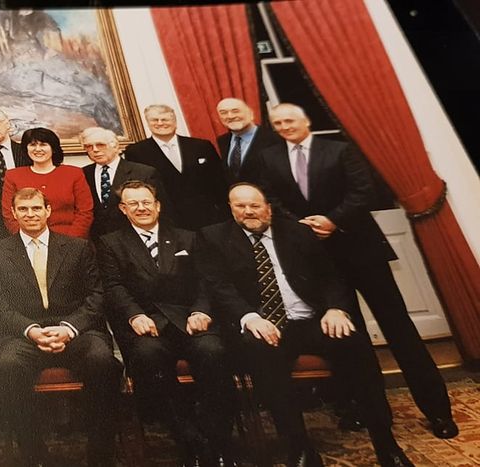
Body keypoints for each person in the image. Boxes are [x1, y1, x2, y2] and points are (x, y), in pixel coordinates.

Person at [257, 103, 456, 438]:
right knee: (350, 337)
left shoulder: (340, 150)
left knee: (400, 331)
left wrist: (333, 220)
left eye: (289, 120)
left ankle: (438, 411)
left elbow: (365, 192)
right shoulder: (270, 158)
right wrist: (302, 226)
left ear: (306, 121)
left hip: (362, 253)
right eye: (277, 123)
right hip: (319, 261)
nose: (284, 126)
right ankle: (369, 412)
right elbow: (272, 201)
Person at [197, 183, 415, 467]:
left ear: (268, 208)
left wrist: (336, 308)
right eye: (240, 206)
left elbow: (331, 277)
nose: (248, 211)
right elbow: (220, 287)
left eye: (254, 205)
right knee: (260, 352)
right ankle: (299, 446)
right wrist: (250, 318)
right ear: (231, 208)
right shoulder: (214, 237)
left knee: (354, 342)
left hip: (308, 321)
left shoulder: (296, 232)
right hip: (262, 324)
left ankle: (386, 443)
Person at [96, 180, 236, 466]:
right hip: (146, 323)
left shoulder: (188, 238)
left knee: (214, 352)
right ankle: (189, 440)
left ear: (158, 205)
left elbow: (205, 282)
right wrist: (134, 315)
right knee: (148, 356)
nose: (141, 207)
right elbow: (113, 287)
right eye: (133, 203)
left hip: (190, 320)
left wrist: (201, 311)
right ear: (123, 209)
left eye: (146, 201)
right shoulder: (110, 243)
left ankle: (219, 442)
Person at [0, 188, 122, 467]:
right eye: (23, 209)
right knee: (6, 366)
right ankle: (34, 455)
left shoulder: (78, 248)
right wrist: (31, 330)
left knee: (102, 361)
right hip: (23, 335)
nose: (30, 214)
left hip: (75, 331)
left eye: (36, 208)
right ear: (13, 213)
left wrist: (69, 328)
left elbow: (96, 296)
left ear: (48, 211)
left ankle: (101, 455)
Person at [124, 104, 229, 230]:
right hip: (169, 220)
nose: (160, 123)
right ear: (147, 123)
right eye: (155, 120)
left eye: (165, 119)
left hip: (209, 218)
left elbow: (220, 182)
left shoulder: (201, 146)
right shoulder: (136, 151)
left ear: (175, 121)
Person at [0, 127, 93, 238]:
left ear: (53, 148)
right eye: (32, 145)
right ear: (26, 149)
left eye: (43, 144)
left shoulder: (74, 173)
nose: (37, 149)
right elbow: (9, 214)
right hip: (29, 242)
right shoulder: (13, 176)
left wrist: (71, 243)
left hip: (70, 240)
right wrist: (27, 240)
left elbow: (85, 212)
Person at [80, 126, 170, 239]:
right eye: (89, 146)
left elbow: (163, 211)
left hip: (134, 239)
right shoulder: (82, 174)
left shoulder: (144, 172)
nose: (95, 150)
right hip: (96, 241)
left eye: (100, 145)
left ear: (115, 146)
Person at [215, 98, 282, 184]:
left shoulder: (274, 138)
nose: (230, 116)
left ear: (250, 113)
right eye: (223, 113)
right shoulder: (223, 141)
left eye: (235, 111)